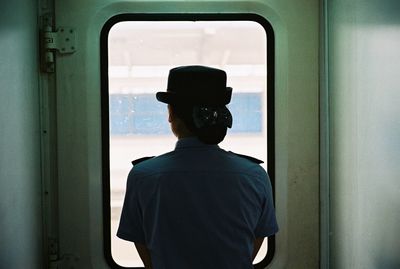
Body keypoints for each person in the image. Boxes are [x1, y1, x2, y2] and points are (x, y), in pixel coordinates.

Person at [117, 65, 278, 269]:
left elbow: (139, 240)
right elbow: (258, 237)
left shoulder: (143, 175)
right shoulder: (254, 175)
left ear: (171, 114)